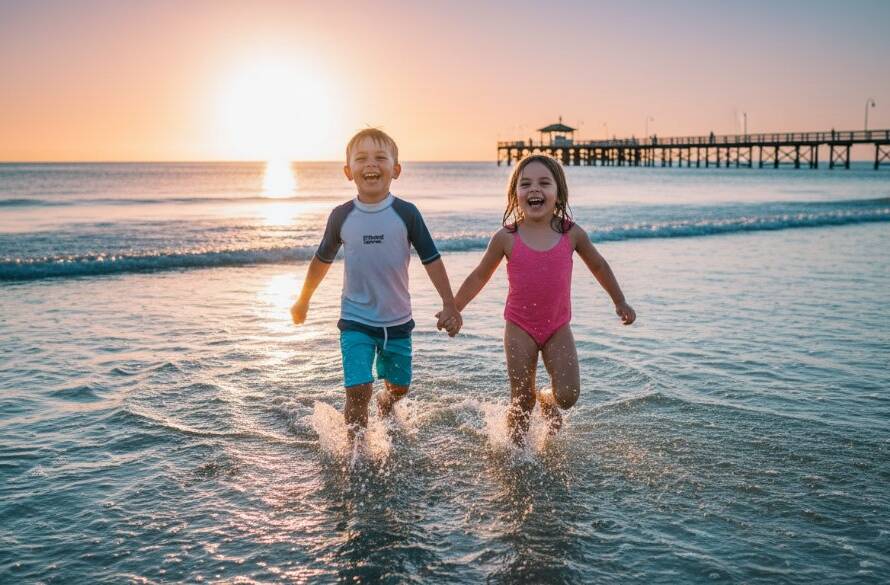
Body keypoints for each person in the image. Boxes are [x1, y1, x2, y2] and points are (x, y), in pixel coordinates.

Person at [449, 154, 635, 445]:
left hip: (557, 327)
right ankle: (516, 454)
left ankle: (546, 401)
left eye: (544, 183)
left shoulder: (571, 234)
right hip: (519, 326)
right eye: (525, 184)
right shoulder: (506, 237)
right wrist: (455, 307)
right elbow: (479, 276)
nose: (534, 189)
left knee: (568, 396)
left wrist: (619, 301)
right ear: (515, 194)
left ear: (558, 193)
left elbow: (598, 265)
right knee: (522, 399)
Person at [291, 128, 462, 439]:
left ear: (396, 170)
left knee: (399, 388)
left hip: (397, 321)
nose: (371, 164)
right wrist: (304, 300)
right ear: (348, 171)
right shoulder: (341, 216)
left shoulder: (406, 213)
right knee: (358, 390)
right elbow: (321, 261)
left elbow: (432, 259)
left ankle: (387, 403)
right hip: (355, 320)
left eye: (380, 158)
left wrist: (449, 304)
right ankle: (355, 455)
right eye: (361, 159)